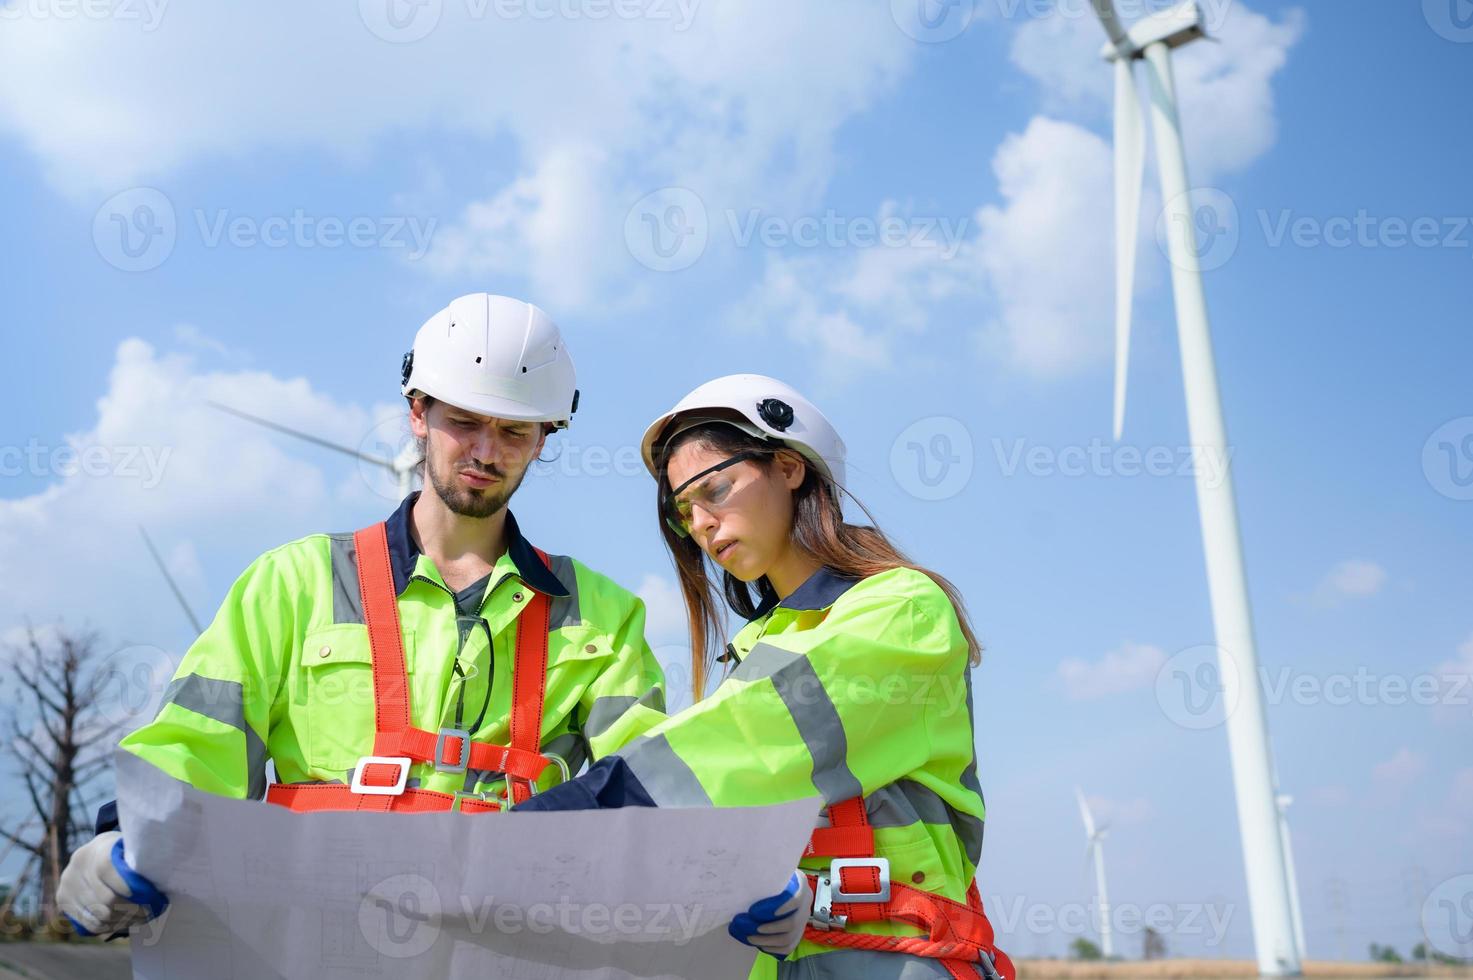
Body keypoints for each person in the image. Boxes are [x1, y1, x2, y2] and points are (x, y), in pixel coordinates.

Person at [56, 293, 666, 937]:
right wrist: (121, 835)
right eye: (464, 421)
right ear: (417, 414)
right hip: (307, 939)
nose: (487, 452)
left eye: (514, 430)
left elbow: (650, 786)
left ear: (545, 439)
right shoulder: (292, 584)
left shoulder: (603, 614)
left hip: (510, 944)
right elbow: (197, 742)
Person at [518, 375, 1015, 980]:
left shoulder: (900, 610)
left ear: (788, 467)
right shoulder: (751, 651)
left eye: (715, 489)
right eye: (683, 512)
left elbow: (748, 747)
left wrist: (563, 825)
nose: (700, 523)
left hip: (899, 959)